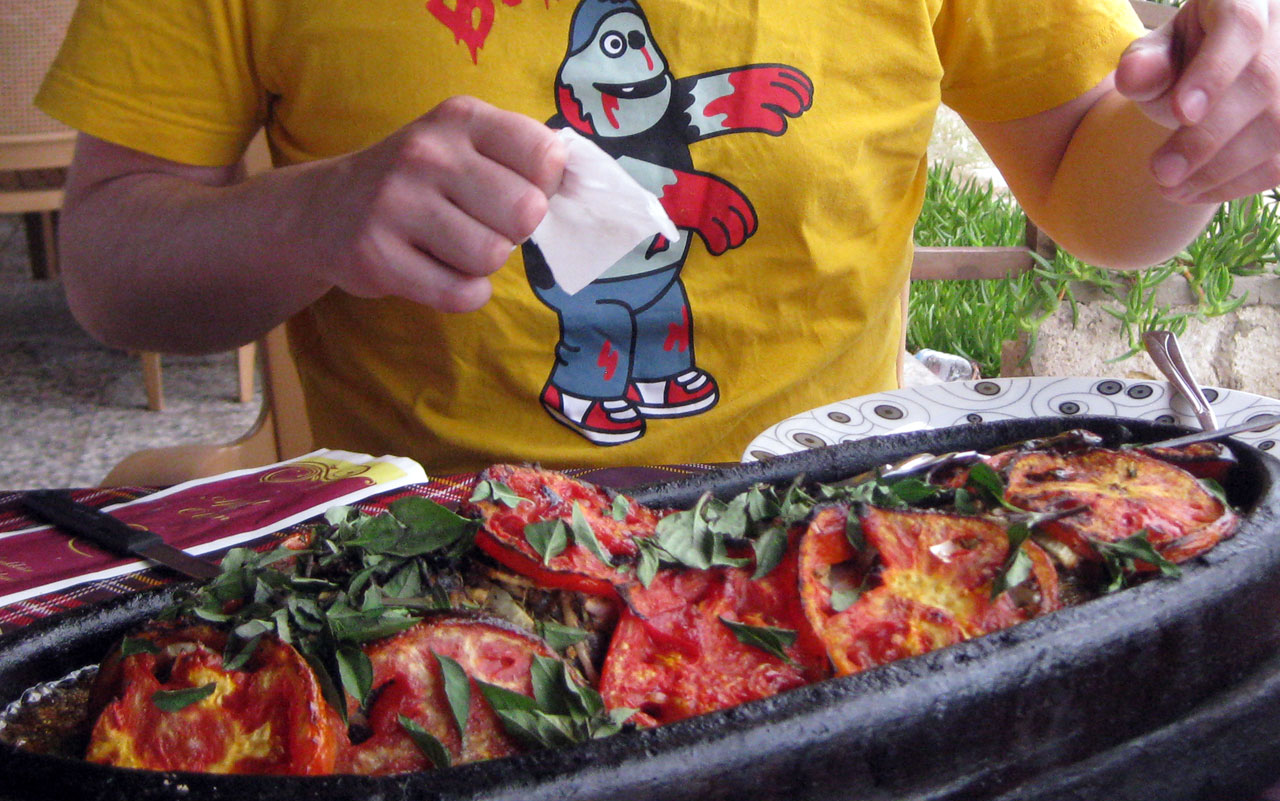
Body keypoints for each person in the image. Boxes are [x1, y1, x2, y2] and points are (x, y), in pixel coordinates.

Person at [35, 0, 1280, 474]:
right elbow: (110, 272)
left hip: (834, 548)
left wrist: (1203, 123)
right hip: (430, 587)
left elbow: (1092, 200)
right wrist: (308, 216)